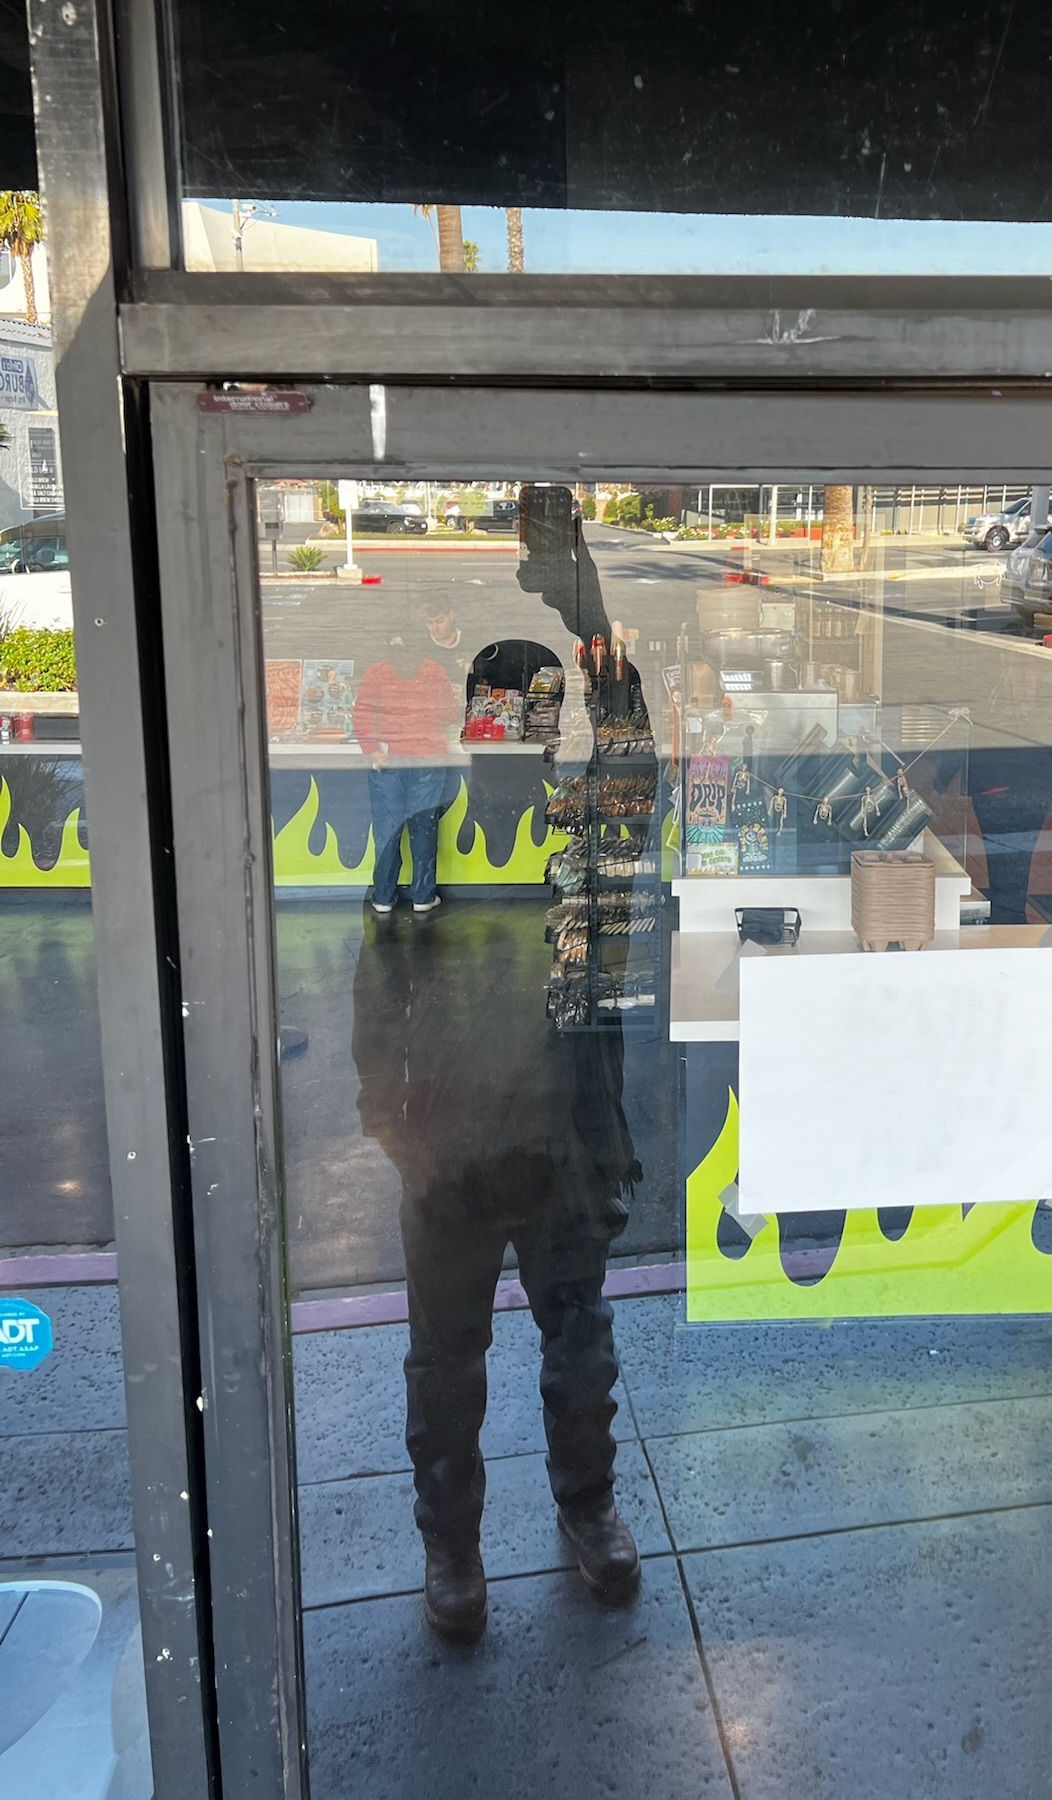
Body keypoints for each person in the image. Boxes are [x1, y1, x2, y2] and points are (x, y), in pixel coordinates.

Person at [353, 497, 646, 1646]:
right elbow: (374, 1001)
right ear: (473, 724)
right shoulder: (419, 842)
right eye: (501, 715)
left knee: (581, 1350)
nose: (517, 736)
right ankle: (452, 1542)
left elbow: (635, 749)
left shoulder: (584, 838)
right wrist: (401, 1135)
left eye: (538, 717)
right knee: (444, 1370)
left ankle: (589, 1512)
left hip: (562, 1152)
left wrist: (586, 603)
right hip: (450, 1161)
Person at [352, 599, 465, 915]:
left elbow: (360, 715)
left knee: (387, 831)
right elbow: (447, 714)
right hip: (427, 760)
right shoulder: (434, 670)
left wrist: (372, 749)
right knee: (423, 829)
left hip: (387, 762)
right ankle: (423, 896)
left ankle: (384, 897)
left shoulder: (377, 672)